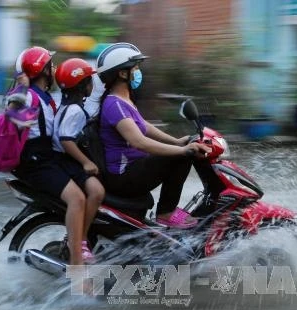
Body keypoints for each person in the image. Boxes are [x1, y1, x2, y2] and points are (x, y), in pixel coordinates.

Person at [96, 42, 211, 227]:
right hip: (124, 176)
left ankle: (168, 211)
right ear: (122, 73)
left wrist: (176, 142)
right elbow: (139, 141)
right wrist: (183, 151)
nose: (138, 71)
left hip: (133, 168)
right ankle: (166, 212)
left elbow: (145, 126)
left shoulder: (123, 100)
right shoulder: (114, 104)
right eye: (135, 67)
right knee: (180, 158)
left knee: (179, 153)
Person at [11, 47, 90, 265]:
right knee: (77, 198)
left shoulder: (44, 97)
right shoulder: (27, 96)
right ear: (43, 70)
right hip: (36, 162)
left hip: (45, 158)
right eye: (50, 65)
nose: (54, 69)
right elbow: (14, 117)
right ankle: (77, 264)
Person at [52, 58, 105, 261]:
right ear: (82, 85)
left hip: (64, 159)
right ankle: (81, 239)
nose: (92, 85)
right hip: (66, 161)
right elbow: (66, 140)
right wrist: (86, 162)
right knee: (97, 192)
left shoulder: (67, 105)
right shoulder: (74, 110)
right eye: (90, 81)